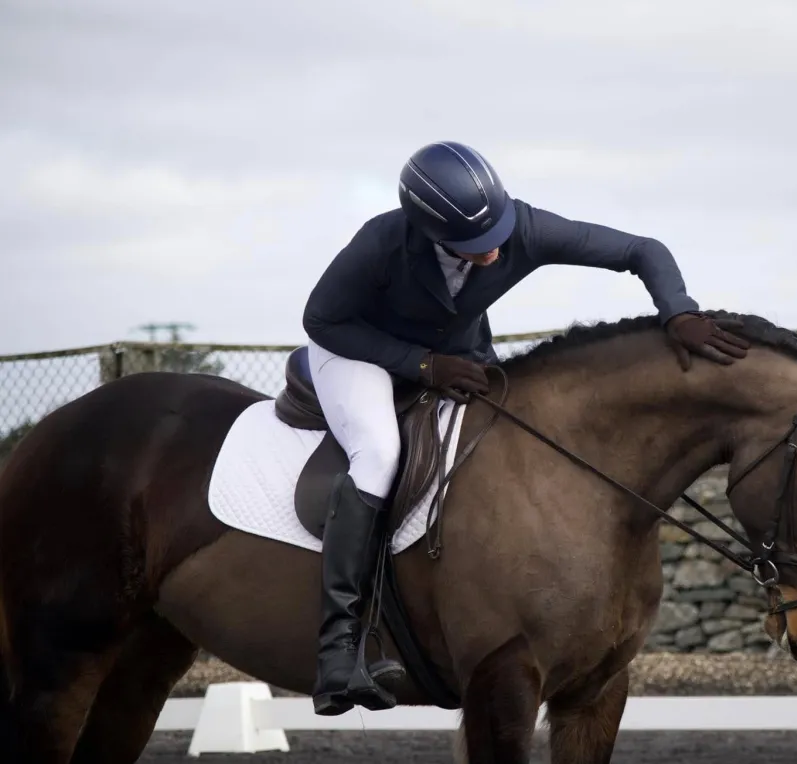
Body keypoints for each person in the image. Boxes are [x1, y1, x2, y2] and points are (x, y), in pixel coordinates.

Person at [300, 140, 750, 715]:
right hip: (356, 353)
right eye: (474, 244)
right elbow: (322, 319)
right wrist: (422, 366)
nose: (493, 250)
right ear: (430, 232)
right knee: (380, 454)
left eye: (496, 233)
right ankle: (339, 648)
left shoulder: (523, 228)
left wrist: (678, 310)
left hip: (456, 354)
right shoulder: (381, 242)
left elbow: (642, 249)